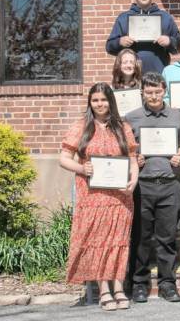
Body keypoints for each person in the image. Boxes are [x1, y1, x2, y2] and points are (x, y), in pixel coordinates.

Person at [59, 82, 139, 311]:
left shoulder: (122, 126)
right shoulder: (81, 126)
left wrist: (133, 181)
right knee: (99, 242)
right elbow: (64, 158)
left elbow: (132, 158)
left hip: (120, 197)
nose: (100, 104)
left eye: (103, 99)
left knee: (119, 242)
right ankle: (104, 290)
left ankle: (119, 288)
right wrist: (82, 168)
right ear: (90, 102)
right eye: (95, 100)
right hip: (92, 196)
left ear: (110, 101)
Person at [125, 72, 180, 303]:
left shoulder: (177, 116)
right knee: (141, 238)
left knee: (167, 237)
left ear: (164, 91)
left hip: (170, 183)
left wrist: (179, 157)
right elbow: (125, 149)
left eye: (158, 91)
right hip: (142, 185)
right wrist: (135, 158)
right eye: (149, 92)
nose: (153, 96)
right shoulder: (131, 118)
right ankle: (139, 284)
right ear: (142, 92)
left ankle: (167, 284)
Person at [106, 0, 180, 74]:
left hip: (158, 74)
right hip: (131, 76)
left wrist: (169, 41)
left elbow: (179, 45)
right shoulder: (123, 18)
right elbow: (109, 47)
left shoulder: (165, 17)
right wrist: (120, 42)